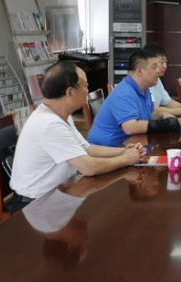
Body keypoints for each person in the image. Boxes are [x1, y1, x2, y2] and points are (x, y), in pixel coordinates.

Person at [10, 61, 145, 212]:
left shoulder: (59, 115)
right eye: (85, 86)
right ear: (70, 92)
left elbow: (86, 148)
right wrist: (127, 159)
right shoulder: (49, 124)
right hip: (36, 205)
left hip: (59, 194)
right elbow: (88, 167)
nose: (87, 90)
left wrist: (124, 151)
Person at [87, 49, 176, 147]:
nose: (158, 71)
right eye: (154, 67)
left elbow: (150, 114)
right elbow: (130, 127)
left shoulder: (144, 89)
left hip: (130, 145)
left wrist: (166, 117)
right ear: (140, 71)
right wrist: (163, 125)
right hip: (107, 149)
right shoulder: (124, 92)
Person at [143, 43, 181, 116]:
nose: (165, 66)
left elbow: (168, 102)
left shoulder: (157, 79)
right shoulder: (144, 82)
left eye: (166, 62)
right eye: (162, 62)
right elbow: (154, 109)